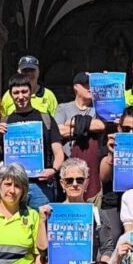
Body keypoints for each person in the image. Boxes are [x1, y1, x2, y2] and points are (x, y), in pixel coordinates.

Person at [42, 158, 106, 264]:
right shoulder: (50, 212)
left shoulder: (96, 213)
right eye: (69, 180)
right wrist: (41, 221)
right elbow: (41, 250)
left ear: (87, 183)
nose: (75, 184)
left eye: (80, 179)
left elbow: (107, 247)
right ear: (62, 184)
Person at [0, 74, 64, 211]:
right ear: (11, 95)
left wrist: (53, 170)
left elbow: (59, 152)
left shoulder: (46, 119)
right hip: (12, 186)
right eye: (16, 92)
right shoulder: (5, 122)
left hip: (40, 186)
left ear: (31, 92)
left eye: (24, 91)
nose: (20, 96)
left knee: (42, 222)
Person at [97, 106, 133, 253]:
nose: (130, 133)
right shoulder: (110, 145)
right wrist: (112, 154)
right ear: (119, 127)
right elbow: (103, 177)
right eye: (126, 129)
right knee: (112, 241)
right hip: (113, 201)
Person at [56, 72, 107, 201]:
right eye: (86, 85)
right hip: (69, 166)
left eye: (92, 85)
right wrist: (86, 128)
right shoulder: (63, 108)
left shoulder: (98, 109)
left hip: (93, 168)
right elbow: (59, 131)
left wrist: (72, 122)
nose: (90, 88)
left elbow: (100, 125)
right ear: (76, 87)